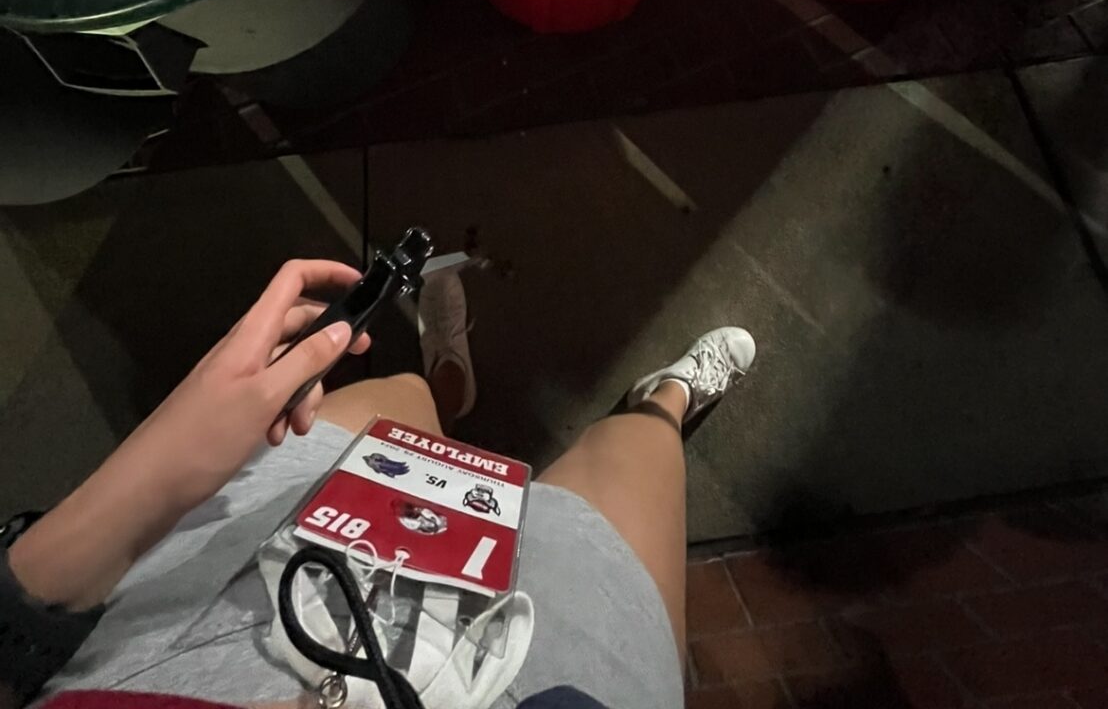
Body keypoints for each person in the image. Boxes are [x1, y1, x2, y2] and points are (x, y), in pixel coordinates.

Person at [1, 258, 755, 709]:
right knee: (633, 462)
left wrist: (151, 474)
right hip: (544, 671)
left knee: (401, 405)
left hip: (200, 626)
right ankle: (667, 399)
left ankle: (445, 387)